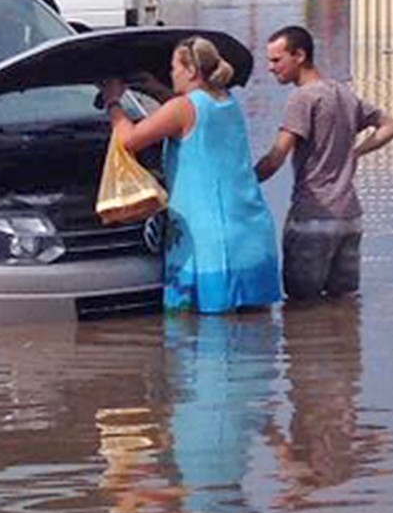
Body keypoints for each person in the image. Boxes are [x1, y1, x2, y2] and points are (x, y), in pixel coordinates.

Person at [102, 36, 281, 314]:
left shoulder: (182, 108)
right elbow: (189, 110)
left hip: (208, 242)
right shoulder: (226, 100)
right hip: (251, 235)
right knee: (254, 337)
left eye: (174, 67)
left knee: (202, 339)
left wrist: (113, 100)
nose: (171, 73)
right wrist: (155, 89)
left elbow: (129, 140)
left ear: (191, 71)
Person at [254, 25, 393, 300]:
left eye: (276, 60)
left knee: (301, 306)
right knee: (344, 303)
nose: (271, 68)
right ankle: (341, 343)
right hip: (349, 218)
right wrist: (357, 151)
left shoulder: (302, 98)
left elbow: (276, 156)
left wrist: (243, 182)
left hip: (312, 217)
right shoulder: (343, 93)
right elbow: (392, 125)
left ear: (299, 55)